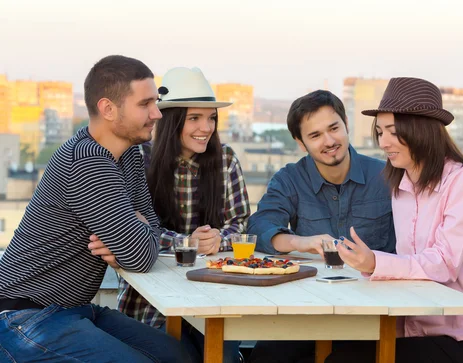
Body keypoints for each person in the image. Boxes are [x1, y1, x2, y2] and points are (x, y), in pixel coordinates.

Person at [0, 55, 189, 362]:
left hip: (73, 309)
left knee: (183, 357)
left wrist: (135, 229)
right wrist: (134, 232)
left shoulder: (128, 154)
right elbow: (139, 256)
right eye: (145, 104)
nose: (156, 113)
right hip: (22, 316)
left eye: (155, 101)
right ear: (108, 109)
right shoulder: (87, 162)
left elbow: (149, 228)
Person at [325, 77, 463, 363]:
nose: (383, 143)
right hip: (413, 331)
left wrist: (375, 263)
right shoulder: (402, 183)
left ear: (420, 131)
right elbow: (411, 261)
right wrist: (365, 263)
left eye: (393, 132)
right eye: (380, 132)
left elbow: (445, 264)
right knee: (338, 354)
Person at [248, 90, 396, 363]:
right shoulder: (290, 178)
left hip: (373, 313)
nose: (329, 141)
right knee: (266, 357)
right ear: (301, 143)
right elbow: (259, 225)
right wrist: (299, 241)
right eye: (315, 135)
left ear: (346, 125)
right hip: (306, 310)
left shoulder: (387, 176)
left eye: (334, 128)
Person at [116, 66, 251, 363]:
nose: (206, 127)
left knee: (222, 356)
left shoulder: (225, 158)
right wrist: (186, 241)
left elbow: (241, 224)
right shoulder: (138, 159)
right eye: (194, 118)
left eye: (211, 117)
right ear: (171, 119)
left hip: (214, 295)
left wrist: (217, 239)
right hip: (151, 300)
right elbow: (129, 230)